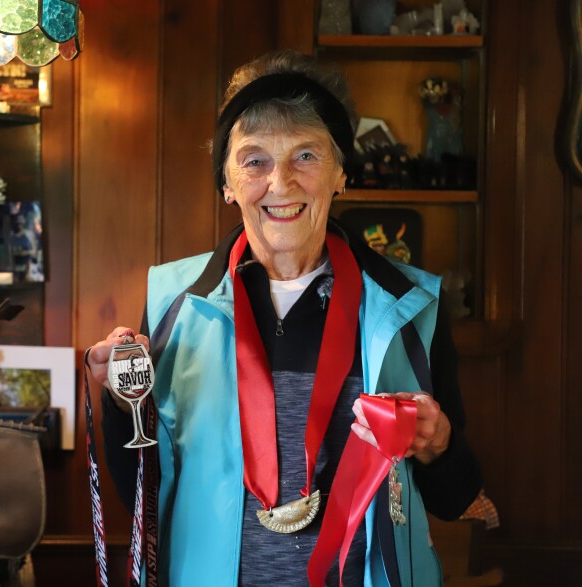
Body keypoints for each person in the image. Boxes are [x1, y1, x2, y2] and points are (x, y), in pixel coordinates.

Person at [86, 50, 482, 586]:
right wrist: (119, 401)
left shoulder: (410, 305)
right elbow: (142, 489)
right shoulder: (173, 304)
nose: (281, 182)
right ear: (226, 182)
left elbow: (455, 497)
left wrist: (438, 447)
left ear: (341, 172)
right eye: (254, 160)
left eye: (306, 156)